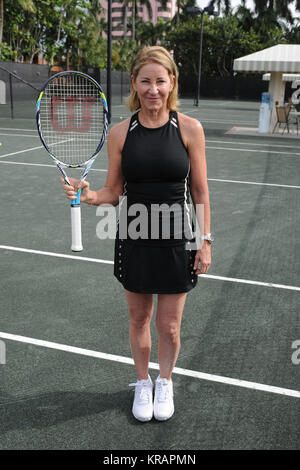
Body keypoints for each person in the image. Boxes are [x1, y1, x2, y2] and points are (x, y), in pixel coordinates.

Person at [62, 46, 212, 422]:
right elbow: (113, 191)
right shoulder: (120, 133)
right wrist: (89, 194)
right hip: (134, 236)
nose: (153, 89)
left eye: (160, 81)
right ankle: (143, 382)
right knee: (139, 319)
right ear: (134, 84)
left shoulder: (190, 129)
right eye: (145, 80)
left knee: (171, 326)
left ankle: (165, 380)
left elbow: (200, 192)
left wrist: (204, 240)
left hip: (178, 238)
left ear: (171, 83)